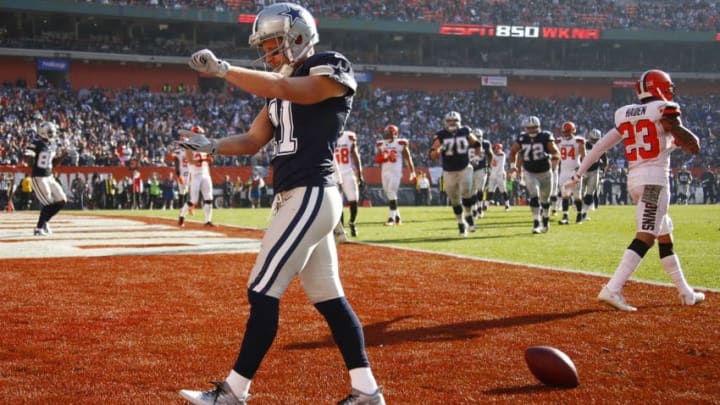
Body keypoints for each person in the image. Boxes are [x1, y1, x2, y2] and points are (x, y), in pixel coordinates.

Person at [174, 3, 385, 404]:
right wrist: (213, 145)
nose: (268, 54)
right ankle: (366, 391)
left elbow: (288, 87)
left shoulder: (327, 66)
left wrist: (224, 71)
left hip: (311, 193)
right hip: (297, 196)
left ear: (299, 37)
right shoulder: (277, 88)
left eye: (273, 45)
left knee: (262, 289)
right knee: (328, 297)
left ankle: (233, 392)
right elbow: (254, 140)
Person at [563, 69, 705, 311]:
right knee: (646, 237)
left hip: (635, 181)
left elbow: (598, 148)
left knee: (664, 234)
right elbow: (694, 146)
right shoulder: (664, 109)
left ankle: (685, 292)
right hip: (654, 182)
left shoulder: (624, 114)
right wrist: (679, 137)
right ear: (660, 87)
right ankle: (613, 289)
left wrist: (577, 176)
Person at [429, 111, 479, 236]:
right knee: (455, 200)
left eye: (455, 121)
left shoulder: (465, 131)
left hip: (464, 167)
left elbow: (477, 143)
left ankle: (468, 215)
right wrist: (438, 150)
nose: (452, 123)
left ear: (459, 121)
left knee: (466, 191)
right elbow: (432, 154)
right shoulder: (441, 135)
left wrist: (477, 157)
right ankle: (461, 223)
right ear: (446, 122)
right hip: (449, 171)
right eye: (450, 121)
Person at [508, 115, 561, 234]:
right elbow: (513, 152)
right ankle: (536, 222)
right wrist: (513, 167)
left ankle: (545, 219)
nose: (532, 130)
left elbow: (555, 152)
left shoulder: (545, 136)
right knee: (534, 196)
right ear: (526, 128)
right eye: (529, 128)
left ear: (539, 127)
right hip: (529, 171)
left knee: (545, 199)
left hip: (545, 171)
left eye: (534, 128)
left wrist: (554, 162)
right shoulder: (522, 138)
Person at [26, 122, 67, 235]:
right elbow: (29, 162)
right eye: (50, 132)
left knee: (62, 200)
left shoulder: (52, 144)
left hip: (49, 176)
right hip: (39, 176)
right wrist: (30, 156)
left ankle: (45, 222)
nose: (52, 134)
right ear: (42, 132)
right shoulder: (35, 143)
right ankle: (39, 228)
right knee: (48, 203)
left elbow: (53, 163)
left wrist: (63, 156)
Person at [376, 123, 415, 226]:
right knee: (388, 193)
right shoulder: (381, 144)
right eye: (386, 133)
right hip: (385, 171)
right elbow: (378, 159)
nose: (386, 135)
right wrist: (381, 157)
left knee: (392, 192)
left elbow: (408, 158)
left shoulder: (400, 143)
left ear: (395, 134)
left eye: (389, 133)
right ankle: (398, 217)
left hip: (396, 172)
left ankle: (391, 218)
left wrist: (412, 171)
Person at [178, 125, 215, 227]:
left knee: (209, 197)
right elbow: (191, 161)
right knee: (194, 200)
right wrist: (204, 160)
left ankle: (207, 221)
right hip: (195, 174)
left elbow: (208, 158)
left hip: (205, 173)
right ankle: (182, 215)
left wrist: (209, 159)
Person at [335, 129, 365, 237]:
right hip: (334, 173)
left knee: (354, 200)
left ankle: (352, 222)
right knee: (338, 203)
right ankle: (341, 229)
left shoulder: (349, 137)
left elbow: (355, 155)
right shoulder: (328, 134)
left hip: (348, 172)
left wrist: (360, 174)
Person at [556, 121, 586, 225]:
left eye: (568, 131)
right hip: (564, 171)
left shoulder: (578, 141)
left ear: (573, 131)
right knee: (565, 195)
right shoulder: (559, 141)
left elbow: (584, 157)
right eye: (564, 132)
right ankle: (565, 216)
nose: (566, 134)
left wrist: (582, 170)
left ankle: (579, 214)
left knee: (577, 196)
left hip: (575, 171)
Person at [580, 129, 608, 219]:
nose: (594, 141)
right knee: (581, 192)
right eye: (593, 139)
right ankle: (580, 211)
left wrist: (603, 169)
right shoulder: (584, 145)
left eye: (596, 140)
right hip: (583, 170)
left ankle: (584, 213)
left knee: (590, 192)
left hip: (594, 171)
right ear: (589, 138)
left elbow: (605, 160)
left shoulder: (601, 146)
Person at [468, 128, 492, 219]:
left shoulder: (485, 144)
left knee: (480, 189)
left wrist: (489, 166)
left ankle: (479, 208)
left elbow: (490, 154)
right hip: (470, 169)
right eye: (476, 137)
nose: (477, 139)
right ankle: (474, 209)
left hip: (481, 169)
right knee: (471, 191)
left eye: (479, 137)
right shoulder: (467, 143)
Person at [487, 142, 511, 211]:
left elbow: (499, 153)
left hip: (500, 174)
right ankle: (485, 205)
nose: (495, 149)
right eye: (494, 148)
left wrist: (492, 152)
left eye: (496, 148)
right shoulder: (492, 155)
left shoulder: (502, 154)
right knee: (490, 190)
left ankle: (507, 205)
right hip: (493, 174)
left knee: (503, 190)